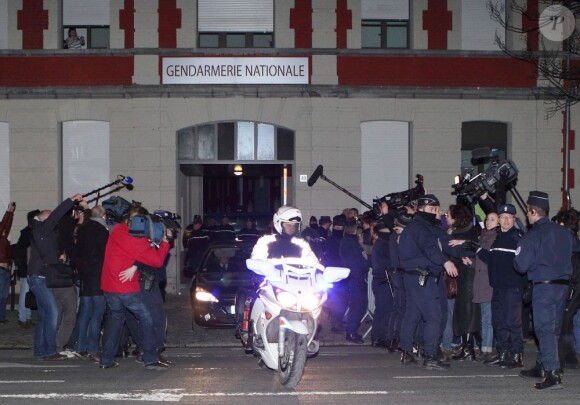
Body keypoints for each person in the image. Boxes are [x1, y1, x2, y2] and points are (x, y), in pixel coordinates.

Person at [515, 191, 580, 390]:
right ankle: (542, 365)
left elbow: (521, 266)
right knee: (554, 328)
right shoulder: (565, 233)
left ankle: (553, 373)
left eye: (528, 211)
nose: (527, 215)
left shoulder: (533, 235)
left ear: (532, 211)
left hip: (544, 286)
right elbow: (574, 250)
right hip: (563, 287)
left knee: (544, 329)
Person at [99, 205, 171, 370]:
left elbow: (131, 252)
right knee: (148, 319)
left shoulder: (118, 230)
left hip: (108, 286)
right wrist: (165, 242)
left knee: (116, 321)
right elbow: (157, 261)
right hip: (125, 288)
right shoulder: (136, 241)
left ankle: (106, 360)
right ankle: (150, 358)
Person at [398, 194, 463, 371]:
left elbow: (446, 243)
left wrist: (465, 252)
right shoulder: (421, 228)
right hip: (422, 277)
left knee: (412, 315)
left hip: (414, 278)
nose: (438, 213)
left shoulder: (423, 226)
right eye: (434, 210)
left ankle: (406, 351)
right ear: (424, 209)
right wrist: (446, 262)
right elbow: (431, 249)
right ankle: (430, 355)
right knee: (434, 316)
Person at [28, 194, 84, 361]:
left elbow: (47, 254)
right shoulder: (40, 228)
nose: (54, 222)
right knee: (52, 312)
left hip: (41, 277)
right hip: (38, 277)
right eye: (50, 217)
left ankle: (40, 350)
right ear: (43, 219)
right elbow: (55, 216)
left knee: (45, 315)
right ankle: (51, 350)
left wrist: (60, 258)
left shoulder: (43, 233)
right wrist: (71, 200)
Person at [477, 204, 526, 369]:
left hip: (512, 286)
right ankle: (503, 352)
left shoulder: (517, 237)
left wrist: (526, 286)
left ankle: (516, 354)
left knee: (512, 321)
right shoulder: (497, 237)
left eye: (509, 217)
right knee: (498, 321)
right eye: (502, 217)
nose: (505, 220)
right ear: (498, 219)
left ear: (514, 219)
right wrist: (477, 250)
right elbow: (493, 259)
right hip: (497, 287)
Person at [73, 205, 109, 362]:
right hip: (99, 277)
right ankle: (93, 348)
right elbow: (105, 254)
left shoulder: (82, 229)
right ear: (103, 216)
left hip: (85, 276)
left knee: (84, 313)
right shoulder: (102, 231)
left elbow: (77, 253)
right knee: (97, 314)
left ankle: (80, 347)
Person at [447, 205, 480, 362]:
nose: (446, 216)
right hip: (464, 277)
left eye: (448, 214)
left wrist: (461, 243)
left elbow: (476, 248)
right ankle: (468, 347)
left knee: (467, 313)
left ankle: (468, 349)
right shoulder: (461, 233)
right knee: (465, 312)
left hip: (468, 278)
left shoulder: (465, 233)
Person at [554, 209, 580, 369]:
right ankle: (570, 357)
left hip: (571, 286)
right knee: (569, 321)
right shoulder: (574, 240)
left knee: (563, 322)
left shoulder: (566, 241)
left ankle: (561, 359)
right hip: (575, 286)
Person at [472, 211, 498, 362]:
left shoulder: (494, 237)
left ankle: (486, 348)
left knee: (487, 317)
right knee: (483, 316)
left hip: (487, 281)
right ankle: (483, 346)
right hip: (480, 281)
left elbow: (489, 259)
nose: (489, 222)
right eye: (488, 219)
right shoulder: (483, 236)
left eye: (492, 220)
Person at [340, 218, 370, 344]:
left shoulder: (351, 241)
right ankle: (351, 332)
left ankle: (352, 330)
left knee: (360, 305)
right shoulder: (349, 243)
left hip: (357, 278)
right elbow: (354, 262)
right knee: (357, 306)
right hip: (355, 278)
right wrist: (359, 276)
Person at [12, 209, 40, 328]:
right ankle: (23, 318)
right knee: (25, 293)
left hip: (28, 268)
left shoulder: (29, 232)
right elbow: (21, 251)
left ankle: (26, 317)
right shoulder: (28, 233)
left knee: (28, 293)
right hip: (27, 268)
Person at [370, 222, 393, 347]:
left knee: (382, 310)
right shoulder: (383, 245)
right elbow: (388, 263)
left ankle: (378, 337)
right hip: (383, 281)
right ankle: (380, 337)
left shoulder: (380, 244)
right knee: (384, 310)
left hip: (380, 281)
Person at [0, 202, 16, 324]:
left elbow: (6, 226)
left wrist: (11, 213)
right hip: (0, 270)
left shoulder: (3, 239)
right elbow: (4, 225)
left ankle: (2, 317)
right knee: (1, 295)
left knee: (4, 296)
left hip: (5, 270)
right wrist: (9, 212)